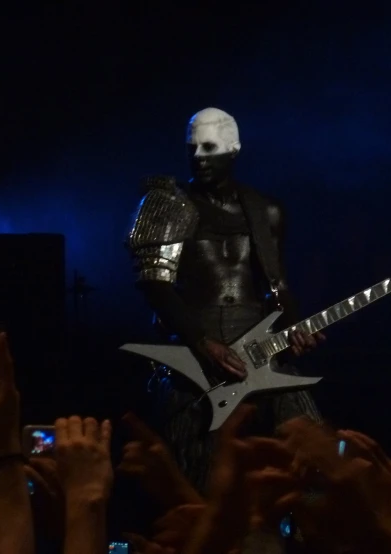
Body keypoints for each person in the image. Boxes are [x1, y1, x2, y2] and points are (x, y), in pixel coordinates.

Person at [127, 107, 324, 492]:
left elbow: (277, 283)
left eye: (210, 146)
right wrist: (202, 343)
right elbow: (155, 284)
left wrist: (295, 328)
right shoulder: (167, 205)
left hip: (261, 350)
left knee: (313, 460)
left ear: (233, 149)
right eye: (193, 147)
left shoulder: (264, 210)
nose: (199, 155)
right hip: (197, 360)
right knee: (199, 481)